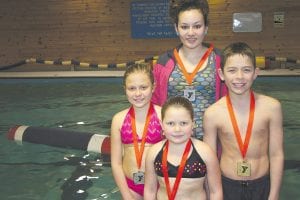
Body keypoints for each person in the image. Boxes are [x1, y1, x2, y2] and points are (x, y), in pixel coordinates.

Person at [203, 42, 284, 200]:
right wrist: (210, 194)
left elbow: (276, 155)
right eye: (232, 70)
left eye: (246, 70)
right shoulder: (212, 114)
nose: (239, 77)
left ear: (255, 73)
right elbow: (209, 162)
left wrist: (274, 195)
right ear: (221, 74)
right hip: (227, 186)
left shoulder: (272, 108)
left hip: (261, 185)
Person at [152, 0, 227, 140]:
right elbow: (155, 105)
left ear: (206, 28)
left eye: (197, 26)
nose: (191, 33)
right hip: (174, 143)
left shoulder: (220, 60)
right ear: (176, 28)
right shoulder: (163, 62)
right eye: (185, 27)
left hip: (210, 142)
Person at [144, 96, 222, 200]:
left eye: (183, 123)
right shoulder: (154, 152)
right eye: (170, 123)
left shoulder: (205, 153)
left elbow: (215, 191)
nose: (177, 129)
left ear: (193, 124)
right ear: (162, 125)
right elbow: (150, 190)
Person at [110, 63, 164, 199]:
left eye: (143, 87)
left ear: (154, 87)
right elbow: (116, 163)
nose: (138, 93)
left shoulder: (163, 115)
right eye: (132, 88)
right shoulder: (118, 119)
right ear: (125, 89)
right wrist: (126, 195)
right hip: (130, 187)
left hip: (159, 185)